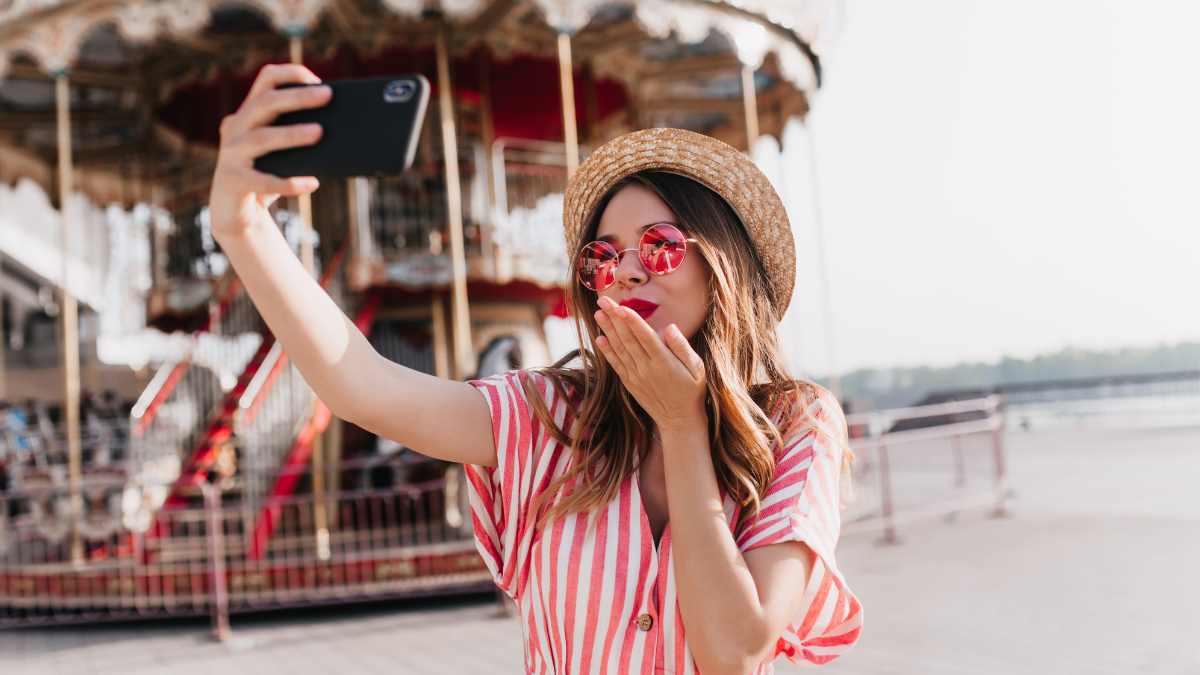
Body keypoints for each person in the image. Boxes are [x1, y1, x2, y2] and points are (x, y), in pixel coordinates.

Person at [209, 64, 862, 674]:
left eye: (661, 246)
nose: (626, 269)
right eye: (602, 257)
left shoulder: (794, 421)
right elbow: (366, 386)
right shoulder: (550, 416)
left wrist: (683, 428)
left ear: (724, 265)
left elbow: (734, 651)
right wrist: (243, 227)